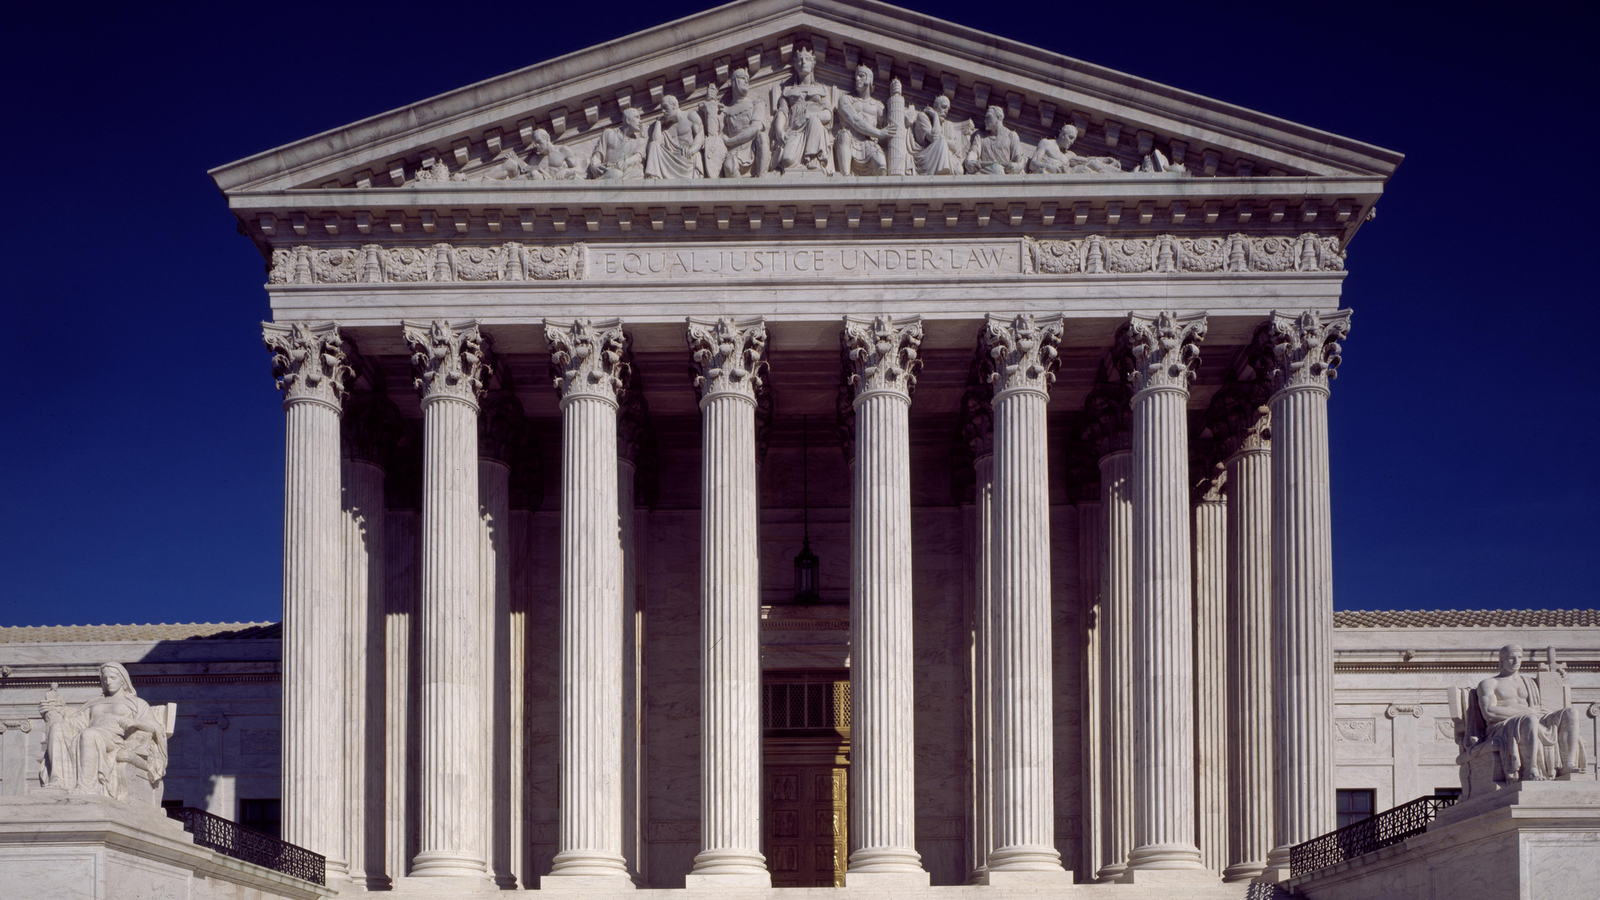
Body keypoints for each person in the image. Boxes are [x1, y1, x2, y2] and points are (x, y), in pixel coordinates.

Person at [41, 662, 169, 802]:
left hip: (115, 741)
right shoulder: (94, 702)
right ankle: (57, 781)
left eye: (113, 678)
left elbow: (155, 728)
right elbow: (77, 723)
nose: (108, 682)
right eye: (105, 679)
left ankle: (87, 787)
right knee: (58, 728)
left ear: (123, 680)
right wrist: (53, 714)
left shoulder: (137, 703)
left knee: (89, 735)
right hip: (89, 734)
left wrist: (135, 722)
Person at [1477, 644, 1586, 781]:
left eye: (1519, 657)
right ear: (1502, 660)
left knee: (1571, 713)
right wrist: (1526, 712)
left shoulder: (1530, 682)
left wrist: (1556, 677)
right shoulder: (1489, 683)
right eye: (1511, 658)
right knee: (1530, 720)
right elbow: (1489, 712)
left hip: (1533, 718)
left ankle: (1568, 764)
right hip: (1502, 725)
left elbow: (1551, 698)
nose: (1516, 661)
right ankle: (1530, 770)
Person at [771, 47, 833, 174]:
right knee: (787, 160)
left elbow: (828, 114)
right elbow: (782, 111)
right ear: (795, 65)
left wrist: (809, 115)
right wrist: (778, 130)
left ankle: (813, 159)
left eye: (807, 59)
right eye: (800, 60)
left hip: (814, 129)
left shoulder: (822, 90)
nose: (803, 62)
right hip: (794, 129)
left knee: (815, 121)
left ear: (813, 65)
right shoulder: (787, 90)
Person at [705, 69, 770, 178]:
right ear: (734, 82)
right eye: (742, 78)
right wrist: (710, 102)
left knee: (762, 137)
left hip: (752, 146)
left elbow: (755, 128)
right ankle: (743, 192)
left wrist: (731, 141)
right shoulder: (725, 110)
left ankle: (761, 180)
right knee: (729, 167)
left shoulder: (756, 104)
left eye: (747, 79)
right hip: (734, 151)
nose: (746, 82)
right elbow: (713, 133)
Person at [834, 65, 895, 176]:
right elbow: (854, 120)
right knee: (844, 134)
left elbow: (890, 127)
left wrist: (897, 95)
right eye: (856, 76)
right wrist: (879, 133)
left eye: (861, 76)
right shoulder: (846, 100)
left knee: (882, 167)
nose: (857, 79)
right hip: (850, 143)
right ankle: (845, 178)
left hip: (870, 145)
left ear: (870, 79)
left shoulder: (878, 106)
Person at [645, 95, 705, 179]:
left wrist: (691, 150)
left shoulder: (690, 116)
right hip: (669, 159)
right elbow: (655, 141)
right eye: (662, 109)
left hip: (687, 157)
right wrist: (658, 123)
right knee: (653, 145)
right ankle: (653, 177)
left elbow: (700, 136)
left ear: (674, 106)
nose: (663, 111)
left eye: (665, 107)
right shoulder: (665, 126)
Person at [909, 94, 971, 176]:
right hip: (926, 157)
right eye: (943, 107)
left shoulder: (948, 124)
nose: (946, 111)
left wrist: (943, 139)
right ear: (935, 106)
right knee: (942, 142)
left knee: (959, 170)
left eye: (947, 109)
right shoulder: (922, 117)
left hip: (946, 157)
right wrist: (935, 116)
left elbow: (955, 147)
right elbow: (934, 138)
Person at [1027, 123, 1121, 175]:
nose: (1072, 142)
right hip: (1048, 174)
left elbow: (1087, 160)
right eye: (1070, 138)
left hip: (1066, 174)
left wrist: (1107, 160)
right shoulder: (1046, 143)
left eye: (1074, 140)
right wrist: (1051, 167)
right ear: (1062, 135)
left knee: (1086, 168)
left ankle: (1112, 174)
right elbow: (1033, 164)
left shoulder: (1069, 155)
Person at [587, 107, 648, 180]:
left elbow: (638, 157)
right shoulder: (609, 133)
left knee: (638, 173)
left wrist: (626, 162)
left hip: (627, 173)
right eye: (637, 117)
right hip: (608, 170)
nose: (640, 121)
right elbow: (597, 156)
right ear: (628, 120)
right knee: (615, 174)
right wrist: (593, 166)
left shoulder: (639, 141)